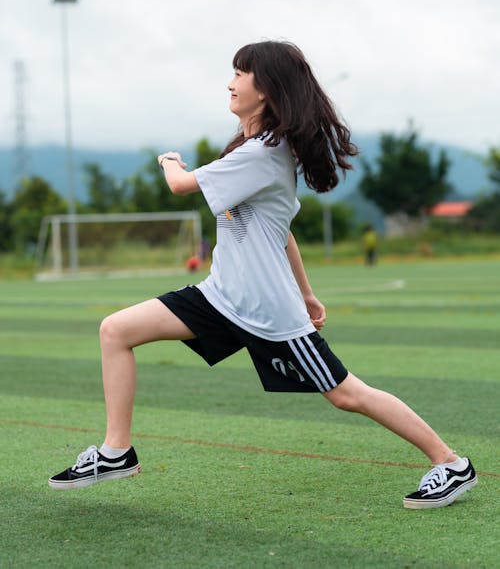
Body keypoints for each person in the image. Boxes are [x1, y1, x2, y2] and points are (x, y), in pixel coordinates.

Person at [49, 40, 477, 509]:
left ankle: (451, 463)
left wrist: (169, 160)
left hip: (268, 313)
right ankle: (116, 452)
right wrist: (310, 293)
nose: (231, 81)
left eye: (241, 72)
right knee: (116, 330)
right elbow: (282, 231)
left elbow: (177, 185)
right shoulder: (257, 149)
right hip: (220, 298)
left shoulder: (263, 153)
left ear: (267, 89)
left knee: (347, 394)